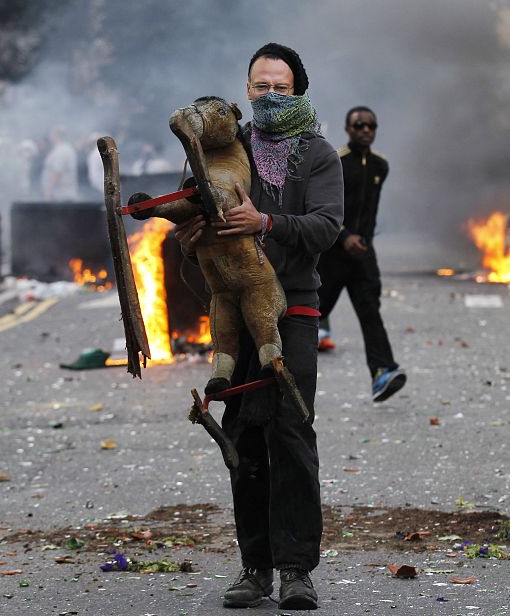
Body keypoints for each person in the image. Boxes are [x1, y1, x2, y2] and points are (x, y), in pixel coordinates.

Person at [173, 43, 342, 610]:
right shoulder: (220, 149)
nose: (270, 96)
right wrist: (189, 236)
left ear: (299, 91)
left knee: (290, 432)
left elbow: (326, 228)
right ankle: (254, 567)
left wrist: (266, 220)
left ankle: (297, 569)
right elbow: (188, 222)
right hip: (234, 312)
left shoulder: (319, 155)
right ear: (246, 90)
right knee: (243, 433)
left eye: (282, 87)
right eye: (260, 86)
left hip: (292, 307)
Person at [316, 106, 406, 402]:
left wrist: (362, 240)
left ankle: (383, 371)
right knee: (312, 315)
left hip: (364, 255)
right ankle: (278, 369)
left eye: (371, 125)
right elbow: (324, 206)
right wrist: (344, 236)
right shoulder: (335, 163)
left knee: (370, 312)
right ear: (348, 129)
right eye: (359, 125)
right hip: (333, 254)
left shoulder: (381, 165)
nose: (366, 130)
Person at [41, 126, 79, 201]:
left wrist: (48, 192)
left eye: (51, 133)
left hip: (62, 196)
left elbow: (58, 172)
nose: (49, 136)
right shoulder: (60, 149)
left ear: (56, 135)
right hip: (59, 195)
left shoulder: (62, 151)